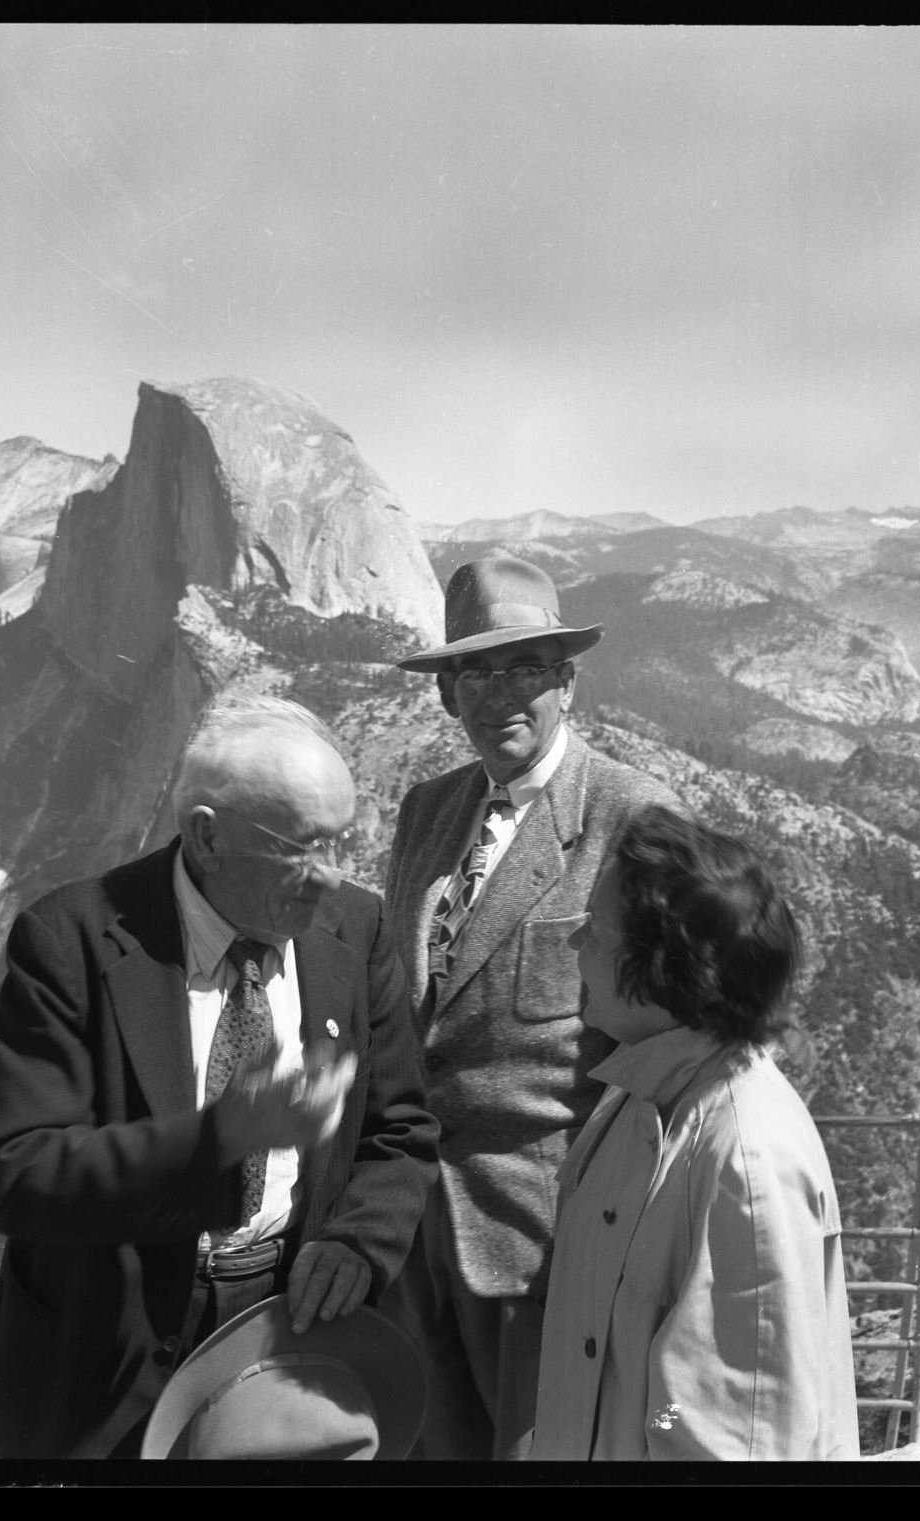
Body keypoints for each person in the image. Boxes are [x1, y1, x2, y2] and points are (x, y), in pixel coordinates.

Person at [0, 694, 439, 1459]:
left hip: (285, 1330)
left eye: (342, 843)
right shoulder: (71, 942)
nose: (330, 877)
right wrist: (219, 1138)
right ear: (206, 836)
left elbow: (402, 1129)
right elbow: (16, 1173)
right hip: (108, 1351)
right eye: (302, 847)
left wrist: (360, 1239)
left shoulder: (354, 929)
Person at [380, 554, 678, 1460]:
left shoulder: (632, 815)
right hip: (412, 1239)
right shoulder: (426, 813)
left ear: (565, 683)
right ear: (445, 694)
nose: (497, 694)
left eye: (522, 669)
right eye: (474, 671)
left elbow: (674, 1044)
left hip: (550, 1247)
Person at [531, 806, 860, 1460]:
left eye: (594, 929)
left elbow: (739, 1437)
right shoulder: (644, 1092)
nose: (574, 946)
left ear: (658, 966)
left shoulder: (743, 1156)